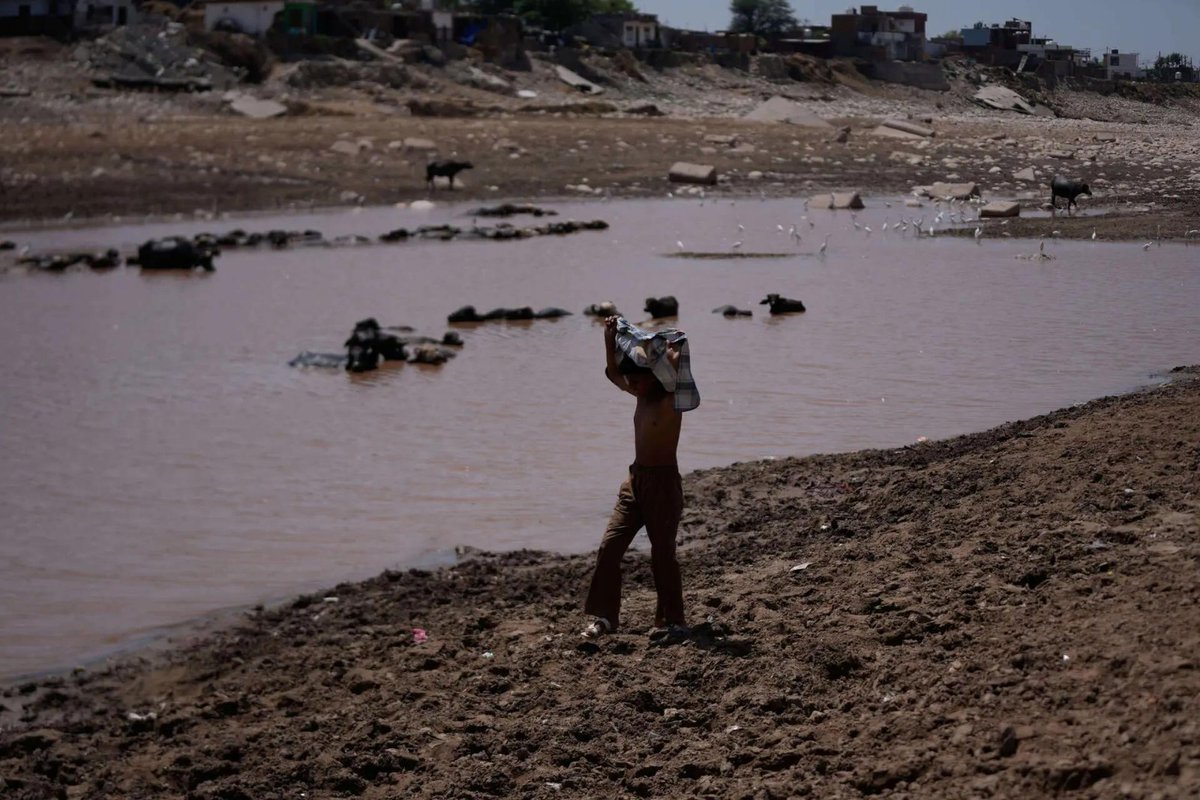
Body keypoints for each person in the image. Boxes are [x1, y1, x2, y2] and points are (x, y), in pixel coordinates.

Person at [583, 315, 697, 638]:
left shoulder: (668, 401)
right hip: (635, 480)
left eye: (638, 379)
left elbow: (674, 367)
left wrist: (672, 353)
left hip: (663, 483)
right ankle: (605, 618)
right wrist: (609, 340)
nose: (631, 384)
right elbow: (615, 374)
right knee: (609, 547)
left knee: (662, 555)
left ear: (654, 377)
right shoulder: (641, 394)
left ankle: (673, 621)